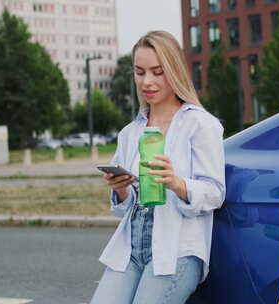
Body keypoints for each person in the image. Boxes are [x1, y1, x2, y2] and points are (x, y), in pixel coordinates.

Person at [90, 31, 226, 304]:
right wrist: (121, 191)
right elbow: (122, 208)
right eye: (140, 72)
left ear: (174, 72)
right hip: (131, 248)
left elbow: (215, 192)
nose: (147, 81)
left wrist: (177, 183)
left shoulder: (200, 124)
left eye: (157, 72)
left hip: (177, 250)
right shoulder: (130, 132)